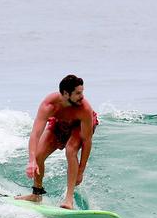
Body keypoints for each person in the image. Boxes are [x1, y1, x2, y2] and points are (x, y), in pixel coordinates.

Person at [16, 75, 98, 209]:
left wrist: (81, 170)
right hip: (60, 122)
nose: (82, 96)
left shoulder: (84, 109)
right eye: (78, 93)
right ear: (66, 93)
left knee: (71, 150)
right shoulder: (49, 105)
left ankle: (69, 200)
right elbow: (36, 134)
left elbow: (87, 141)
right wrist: (31, 161)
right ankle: (36, 194)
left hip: (80, 126)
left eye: (82, 92)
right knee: (38, 156)